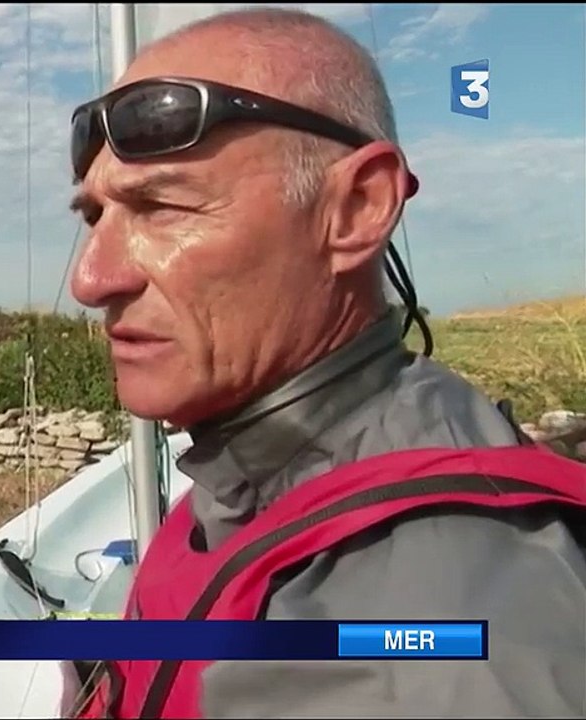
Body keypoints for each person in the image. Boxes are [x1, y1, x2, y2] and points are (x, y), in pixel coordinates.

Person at [67, 8, 586, 719]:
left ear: (357, 208)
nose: (90, 280)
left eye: (159, 207)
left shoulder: (424, 637)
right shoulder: (254, 473)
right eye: (93, 217)